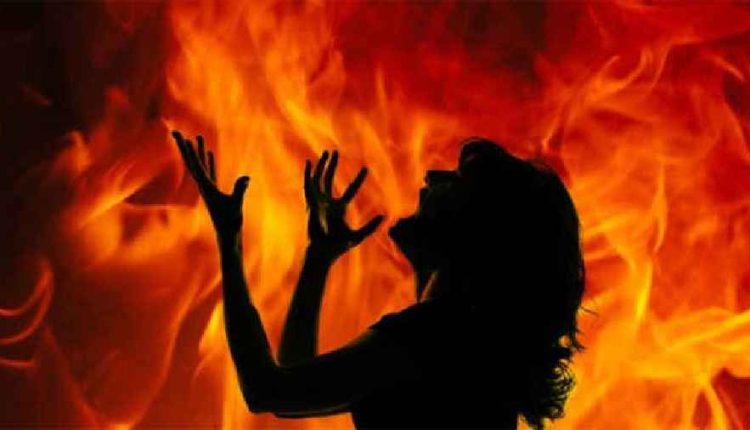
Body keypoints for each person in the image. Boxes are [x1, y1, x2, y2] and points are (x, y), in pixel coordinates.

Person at [172, 131, 585, 429]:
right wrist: (318, 259)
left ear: (479, 226)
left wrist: (229, 240)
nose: (432, 177)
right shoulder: (459, 341)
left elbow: (267, 391)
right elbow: (298, 383)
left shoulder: (429, 337)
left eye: (456, 180)